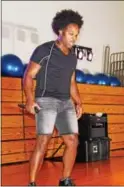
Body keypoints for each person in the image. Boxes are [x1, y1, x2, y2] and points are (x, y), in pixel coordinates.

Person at [23, 9, 84, 186]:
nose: (74, 38)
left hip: (65, 102)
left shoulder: (72, 57)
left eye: (77, 34)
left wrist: (78, 101)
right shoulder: (44, 50)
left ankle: (65, 179)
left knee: (72, 141)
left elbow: (72, 82)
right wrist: (29, 99)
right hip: (46, 100)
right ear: (60, 32)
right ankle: (32, 183)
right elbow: (28, 75)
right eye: (71, 34)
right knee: (43, 141)